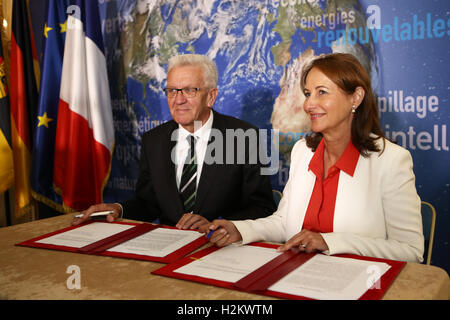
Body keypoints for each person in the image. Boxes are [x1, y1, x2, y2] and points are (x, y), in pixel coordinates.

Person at [201, 53, 424, 262]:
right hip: (296, 278)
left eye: (322, 92)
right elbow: (284, 223)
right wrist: (240, 229)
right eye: (308, 94)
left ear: (355, 97)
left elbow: (411, 251)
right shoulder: (303, 151)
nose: (308, 104)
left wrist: (329, 242)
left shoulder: (391, 161)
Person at [73, 54, 275, 228]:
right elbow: (148, 203)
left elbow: (262, 207)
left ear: (211, 97)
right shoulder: (154, 140)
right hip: (169, 250)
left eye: (189, 90)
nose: (178, 100)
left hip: (221, 249)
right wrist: (119, 209)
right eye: (172, 90)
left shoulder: (244, 137)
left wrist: (216, 225)